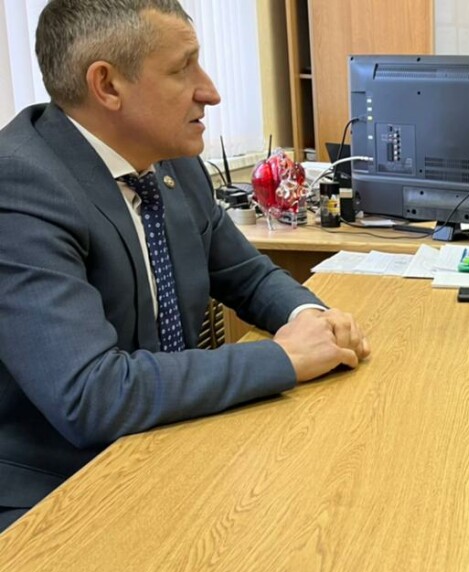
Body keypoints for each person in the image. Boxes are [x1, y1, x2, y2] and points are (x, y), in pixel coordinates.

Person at [0, 0, 370, 532]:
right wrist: (285, 358)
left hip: (169, 443)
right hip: (56, 492)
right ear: (107, 85)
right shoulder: (21, 185)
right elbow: (92, 395)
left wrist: (313, 319)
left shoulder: (171, 161)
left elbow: (249, 276)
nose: (210, 91)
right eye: (182, 68)